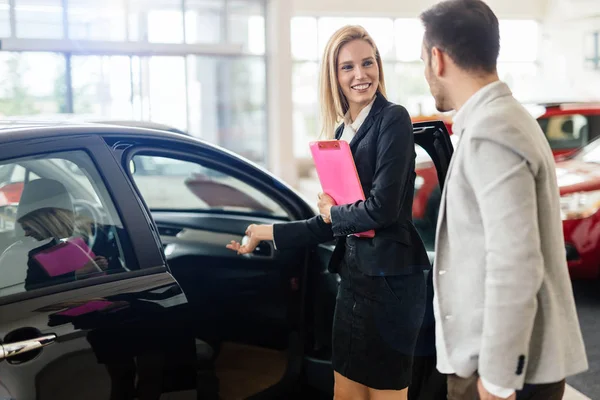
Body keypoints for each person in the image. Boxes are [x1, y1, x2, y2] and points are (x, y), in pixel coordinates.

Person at [227, 25, 430, 400]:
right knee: (346, 392)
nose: (360, 75)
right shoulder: (342, 132)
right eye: (347, 67)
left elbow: (381, 209)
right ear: (334, 76)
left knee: (384, 395)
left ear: (379, 67)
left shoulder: (393, 119)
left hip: (391, 285)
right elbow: (331, 221)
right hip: (353, 283)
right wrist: (267, 231)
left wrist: (335, 214)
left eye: (367, 63)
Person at [419, 1, 589, 399]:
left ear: (438, 59)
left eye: (423, 60)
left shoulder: (491, 130)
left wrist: (497, 379)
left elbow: (515, 263)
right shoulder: (503, 119)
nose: (426, 72)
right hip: (510, 364)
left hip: (503, 372)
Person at [11, 178, 108, 290]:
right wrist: (79, 273)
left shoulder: (98, 237)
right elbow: (34, 290)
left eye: (28, 228)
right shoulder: (32, 254)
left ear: (44, 222)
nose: (26, 234)